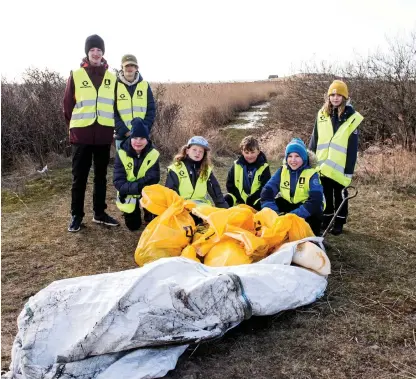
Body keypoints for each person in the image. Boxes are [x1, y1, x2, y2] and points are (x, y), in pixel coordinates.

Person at [63, 34, 119, 232]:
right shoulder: (76, 75)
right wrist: (77, 127)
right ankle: (76, 216)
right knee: (80, 177)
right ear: (87, 52)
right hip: (82, 136)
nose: (96, 53)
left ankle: (99, 213)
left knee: (101, 177)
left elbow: (115, 105)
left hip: (103, 134)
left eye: (99, 50)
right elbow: (68, 106)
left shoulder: (112, 78)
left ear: (103, 53)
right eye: (93, 50)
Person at [309, 80, 364, 235]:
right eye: (332, 94)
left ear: (344, 97)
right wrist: (309, 158)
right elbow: (315, 137)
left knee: (340, 194)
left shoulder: (351, 118)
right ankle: (327, 218)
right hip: (322, 164)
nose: (335, 97)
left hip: (340, 165)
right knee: (325, 193)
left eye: (339, 95)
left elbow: (352, 147)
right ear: (328, 97)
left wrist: (349, 170)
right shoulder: (322, 114)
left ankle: (339, 222)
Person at [260, 138, 324, 236]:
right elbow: (267, 191)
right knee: (266, 208)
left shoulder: (312, 174)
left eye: (297, 156)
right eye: (290, 156)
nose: (293, 160)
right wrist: (273, 211)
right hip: (288, 204)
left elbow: (316, 200)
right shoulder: (282, 170)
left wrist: (293, 215)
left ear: (304, 158)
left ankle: (313, 237)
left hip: (306, 208)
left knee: (315, 213)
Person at [113, 118, 160, 231]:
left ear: (147, 139)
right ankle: (132, 211)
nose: (138, 141)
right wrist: (138, 186)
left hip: (146, 192)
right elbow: (118, 182)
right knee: (133, 226)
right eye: (135, 138)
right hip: (128, 194)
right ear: (130, 137)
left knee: (156, 196)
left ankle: (148, 212)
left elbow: (154, 178)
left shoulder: (154, 154)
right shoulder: (121, 153)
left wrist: (136, 186)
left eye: (142, 138)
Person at [165, 136, 228, 208]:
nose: (197, 153)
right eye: (194, 150)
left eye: (201, 151)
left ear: (204, 154)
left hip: (201, 208)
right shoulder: (176, 168)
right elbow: (170, 193)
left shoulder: (206, 170)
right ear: (187, 151)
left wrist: (225, 209)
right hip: (181, 207)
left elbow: (216, 193)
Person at [114, 54, 156, 150]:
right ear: (122, 68)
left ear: (137, 68)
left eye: (132, 65)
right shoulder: (115, 86)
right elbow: (112, 112)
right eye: (127, 66)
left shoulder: (144, 85)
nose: (129, 68)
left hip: (141, 138)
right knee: (122, 165)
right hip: (122, 137)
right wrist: (123, 130)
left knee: (142, 165)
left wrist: (143, 130)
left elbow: (151, 110)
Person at [224, 135, 271, 210]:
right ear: (242, 152)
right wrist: (239, 198)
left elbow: (265, 187)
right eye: (246, 152)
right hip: (238, 198)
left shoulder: (264, 167)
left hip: (256, 198)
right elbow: (229, 184)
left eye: (252, 152)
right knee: (226, 199)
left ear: (258, 151)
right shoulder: (236, 165)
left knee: (264, 204)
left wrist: (252, 198)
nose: (250, 155)